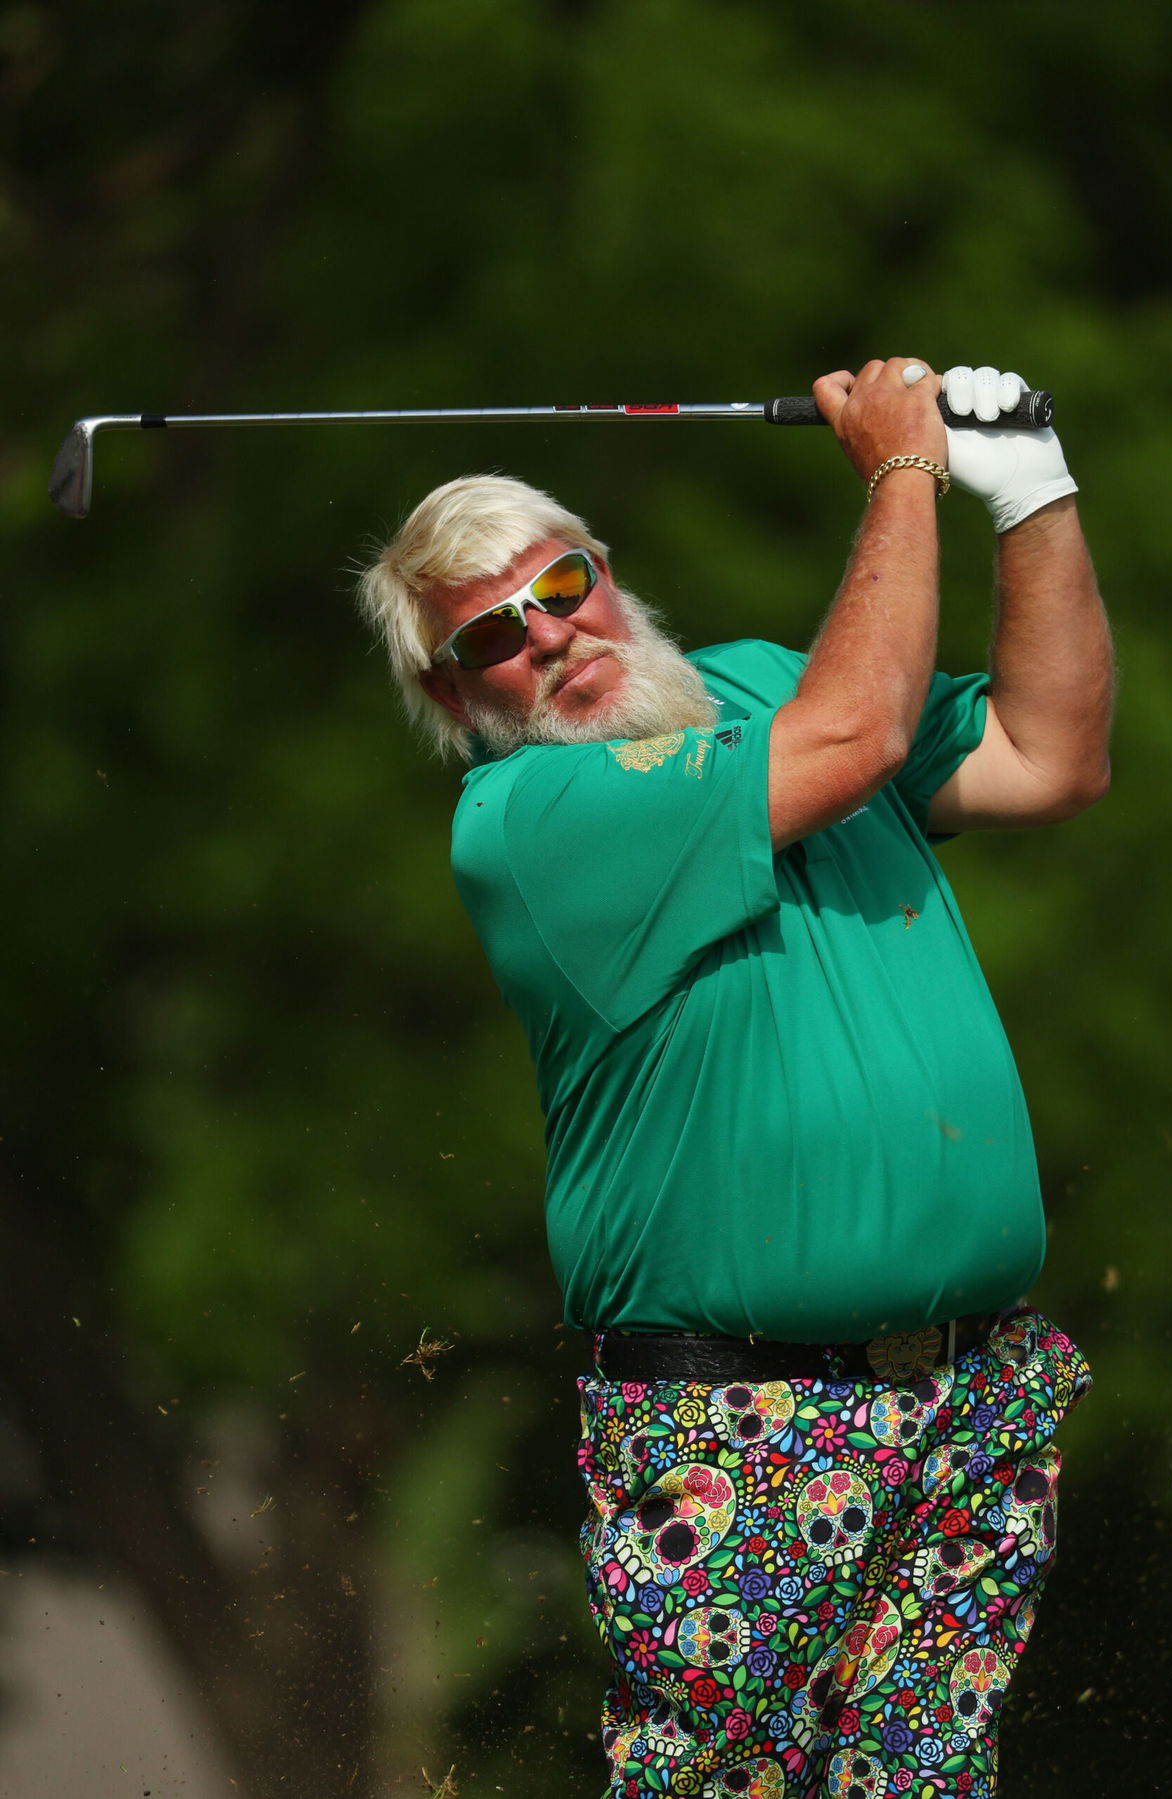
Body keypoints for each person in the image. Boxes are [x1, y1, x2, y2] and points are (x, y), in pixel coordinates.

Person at [358, 359, 1113, 1799]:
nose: (549, 637)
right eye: (489, 640)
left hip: (968, 1395)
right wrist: (904, 468)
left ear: (607, 573)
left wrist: (1032, 498)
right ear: (454, 700)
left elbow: (1050, 755)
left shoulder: (773, 683)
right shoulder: (528, 818)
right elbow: (858, 738)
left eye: (561, 582)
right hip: (744, 1428)